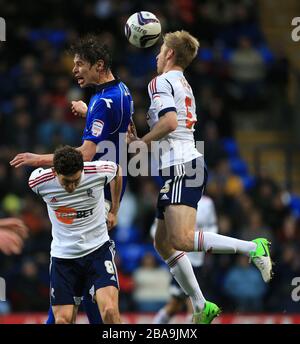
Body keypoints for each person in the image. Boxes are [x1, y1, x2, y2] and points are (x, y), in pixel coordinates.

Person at [127, 30, 273, 324]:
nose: (156, 56)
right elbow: (173, 126)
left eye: (160, 52)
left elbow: (169, 122)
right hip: (180, 166)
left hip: (182, 166)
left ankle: (252, 247)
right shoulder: (182, 82)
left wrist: (142, 143)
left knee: (180, 239)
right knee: (162, 242)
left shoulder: (161, 81)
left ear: (169, 54)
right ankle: (200, 304)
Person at [10, 34, 133, 324]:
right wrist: (89, 113)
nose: (74, 70)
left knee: (91, 278)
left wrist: (36, 159)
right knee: (89, 287)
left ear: (98, 65)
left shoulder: (101, 102)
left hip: (95, 185)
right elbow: (128, 130)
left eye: (80, 65)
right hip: (111, 179)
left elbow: (86, 155)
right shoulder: (122, 90)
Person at [28, 146, 122, 324]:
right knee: (62, 320)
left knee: (110, 312)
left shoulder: (97, 171)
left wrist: (114, 210)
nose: (71, 186)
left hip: (98, 252)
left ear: (83, 169)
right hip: (64, 258)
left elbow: (118, 171)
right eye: (66, 182)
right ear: (55, 172)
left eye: (76, 181)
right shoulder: (39, 182)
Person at [152, 195, 218, 324]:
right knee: (189, 303)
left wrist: (204, 241)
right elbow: (155, 230)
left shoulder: (207, 202)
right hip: (179, 258)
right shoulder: (172, 198)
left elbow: (212, 226)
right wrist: (171, 241)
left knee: (176, 305)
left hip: (198, 259)